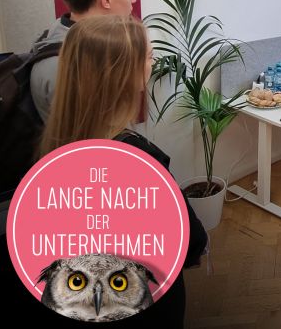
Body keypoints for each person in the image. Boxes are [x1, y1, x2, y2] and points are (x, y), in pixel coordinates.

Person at [20, 16, 206, 327]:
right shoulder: (136, 160)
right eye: (148, 56)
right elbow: (190, 242)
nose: (154, 63)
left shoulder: (54, 146)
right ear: (125, 74)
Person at [30, 0, 138, 122]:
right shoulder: (70, 63)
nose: (133, 0)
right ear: (107, 0)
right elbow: (90, 131)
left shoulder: (58, 35)